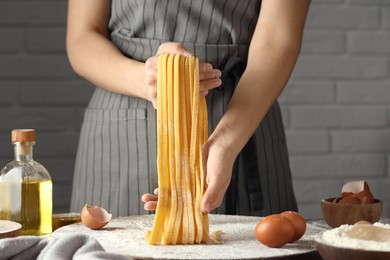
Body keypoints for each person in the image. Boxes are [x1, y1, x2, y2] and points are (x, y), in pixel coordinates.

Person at [67, 0, 311, 217]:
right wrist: (143, 79)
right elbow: (82, 36)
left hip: (246, 115)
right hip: (123, 127)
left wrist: (226, 143)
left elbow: (278, 39)